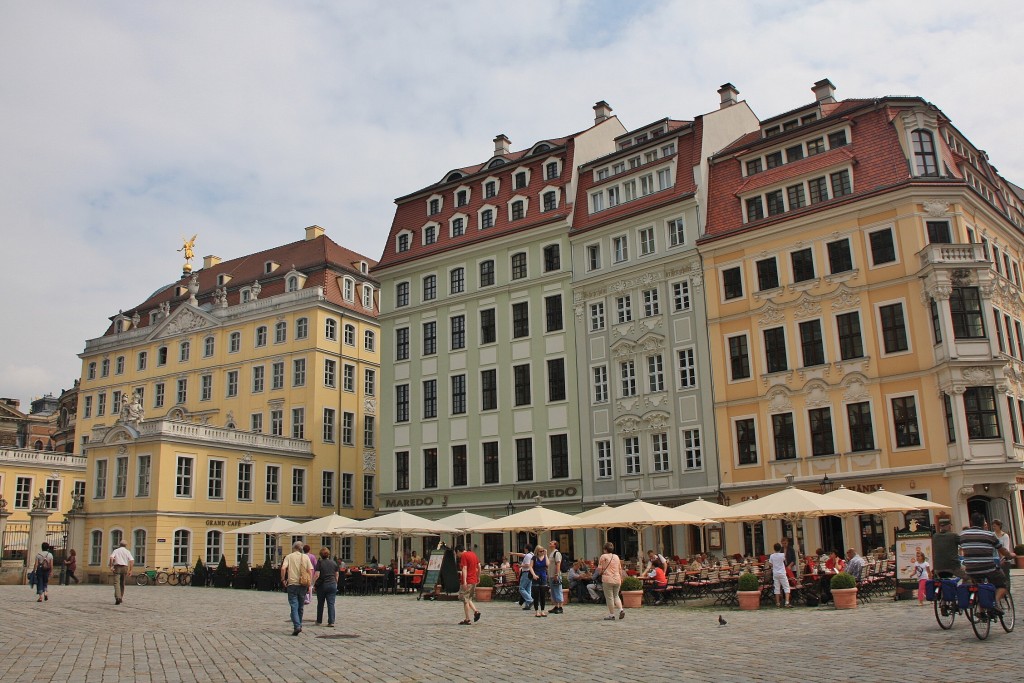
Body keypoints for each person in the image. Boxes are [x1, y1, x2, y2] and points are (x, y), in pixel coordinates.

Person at [961, 512, 1016, 613]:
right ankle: (994, 602)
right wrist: (1010, 555)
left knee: (977, 585)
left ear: (971, 522)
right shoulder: (990, 535)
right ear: (983, 523)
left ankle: (980, 609)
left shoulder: (963, 535)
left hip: (970, 569)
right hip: (987, 568)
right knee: (1003, 585)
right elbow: (1002, 550)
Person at [280, 541, 315, 635]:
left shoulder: (289, 556)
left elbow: (283, 568)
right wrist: (309, 583)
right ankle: (299, 625)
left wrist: (283, 579)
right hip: (303, 584)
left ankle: (297, 626)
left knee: (294, 606)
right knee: (301, 607)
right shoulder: (305, 557)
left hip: (292, 584)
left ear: (294, 548)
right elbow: (310, 571)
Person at [597, 541, 624, 620]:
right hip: (617, 578)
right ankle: (621, 610)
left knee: (609, 597)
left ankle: (612, 614)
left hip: (607, 579)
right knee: (616, 596)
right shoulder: (616, 557)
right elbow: (620, 569)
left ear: (605, 549)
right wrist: (621, 578)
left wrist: (601, 572)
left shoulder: (603, 556)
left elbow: (599, 569)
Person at [455, 544, 481, 625]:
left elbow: (464, 568)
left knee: (465, 600)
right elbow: (479, 566)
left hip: (468, 580)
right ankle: (476, 612)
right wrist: (478, 577)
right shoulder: (473, 554)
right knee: (468, 598)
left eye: (456, 553)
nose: (457, 555)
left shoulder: (464, 556)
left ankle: (467, 619)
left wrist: (465, 581)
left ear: (459, 551)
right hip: (474, 580)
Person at [313, 547, 339, 627]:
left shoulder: (320, 563)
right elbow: (337, 574)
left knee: (320, 603)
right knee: (331, 604)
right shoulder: (334, 563)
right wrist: (335, 583)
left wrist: (314, 585)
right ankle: (331, 621)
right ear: (328, 554)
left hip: (322, 585)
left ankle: (319, 620)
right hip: (332, 584)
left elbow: (317, 575)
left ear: (321, 555)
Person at [109, 540, 134, 605]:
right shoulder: (127, 551)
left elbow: (111, 558)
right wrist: (131, 570)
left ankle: (118, 597)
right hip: (125, 567)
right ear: (126, 545)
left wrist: (111, 566)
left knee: (116, 583)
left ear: (119, 544)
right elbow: (131, 561)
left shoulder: (116, 550)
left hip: (117, 567)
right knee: (122, 583)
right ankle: (121, 597)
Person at [767, 542, 791, 608]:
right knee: (786, 587)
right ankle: (787, 602)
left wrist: (774, 565)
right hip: (782, 573)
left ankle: (777, 603)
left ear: (774, 549)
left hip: (775, 573)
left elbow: (770, 564)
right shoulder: (782, 555)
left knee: (777, 588)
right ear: (780, 549)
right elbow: (785, 560)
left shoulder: (772, 556)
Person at [530, 545, 549, 617]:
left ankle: (543, 611)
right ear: (537, 552)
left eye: (543, 551)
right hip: (536, 577)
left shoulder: (545, 557)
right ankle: (536, 611)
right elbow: (530, 567)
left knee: (543, 595)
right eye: (541, 551)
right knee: (536, 595)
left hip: (543, 577)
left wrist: (546, 554)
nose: (542, 552)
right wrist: (534, 575)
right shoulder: (534, 558)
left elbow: (547, 564)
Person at [548, 540, 564, 614]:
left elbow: (558, 564)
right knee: (553, 591)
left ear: (555, 545)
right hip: (551, 574)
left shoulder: (557, 553)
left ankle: (560, 607)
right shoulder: (551, 553)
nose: (550, 543)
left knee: (557, 590)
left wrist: (556, 574)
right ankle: (556, 606)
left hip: (555, 575)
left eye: (551, 542)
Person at [517, 544, 534, 610]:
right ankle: (527, 605)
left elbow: (527, 565)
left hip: (526, 573)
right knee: (528, 589)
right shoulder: (532, 554)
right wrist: (513, 553)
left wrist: (520, 566)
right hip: (530, 573)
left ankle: (530, 600)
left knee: (521, 588)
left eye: (525, 548)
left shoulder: (528, 556)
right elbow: (522, 554)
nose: (524, 549)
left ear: (526, 549)